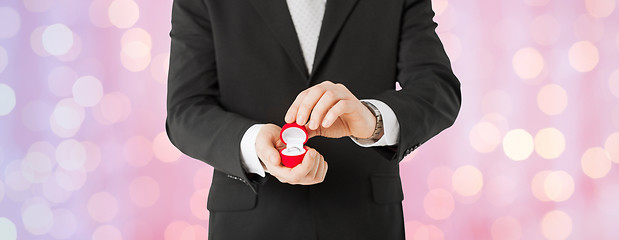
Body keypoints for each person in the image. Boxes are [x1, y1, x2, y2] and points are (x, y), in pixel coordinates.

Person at [166, 0, 461, 239]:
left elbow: (437, 88)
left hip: (365, 223)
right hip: (250, 224)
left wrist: (372, 119)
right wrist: (254, 145)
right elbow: (186, 110)